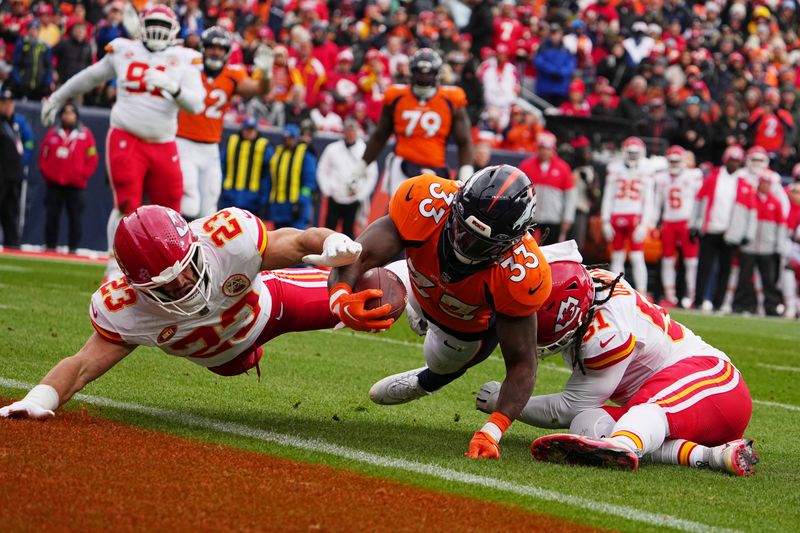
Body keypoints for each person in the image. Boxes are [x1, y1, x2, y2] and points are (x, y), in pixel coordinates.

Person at [0, 204, 362, 419]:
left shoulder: (228, 239)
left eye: (187, 266)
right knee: (238, 363)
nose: (185, 282)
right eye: (166, 285)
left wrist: (331, 242)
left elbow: (299, 240)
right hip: (224, 360)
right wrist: (38, 398)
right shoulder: (127, 308)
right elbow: (80, 366)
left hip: (270, 308)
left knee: (371, 295)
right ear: (136, 286)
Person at [328, 165, 552, 459]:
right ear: (456, 204)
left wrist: (493, 430)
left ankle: (429, 381)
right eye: (463, 229)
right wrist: (340, 299)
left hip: (462, 327)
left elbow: (523, 363)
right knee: (371, 288)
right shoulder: (426, 199)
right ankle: (410, 310)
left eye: (481, 244)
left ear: (510, 241)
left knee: (442, 364)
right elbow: (361, 254)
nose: (465, 245)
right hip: (417, 277)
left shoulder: (522, 272)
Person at [476, 258, 758, 476]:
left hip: (716, 386)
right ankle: (710, 457)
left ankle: (623, 445)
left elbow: (564, 408)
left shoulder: (605, 335)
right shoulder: (581, 281)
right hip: (682, 416)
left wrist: (504, 403)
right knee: (587, 426)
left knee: (644, 412)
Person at [39, 5, 206, 278]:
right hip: (126, 135)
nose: (157, 30)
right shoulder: (123, 50)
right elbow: (89, 78)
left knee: (172, 209)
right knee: (126, 203)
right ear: (140, 24)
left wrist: (172, 87)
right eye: (152, 23)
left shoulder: (184, 58)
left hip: (164, 142)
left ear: (174, 31)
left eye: (163, 26)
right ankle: (114, 266)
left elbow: (196, 104)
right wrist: (58, 97)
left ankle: (172, 267)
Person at [176, 26, 274, 220]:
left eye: (221, 48)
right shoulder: (190, 68)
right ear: (203, 48)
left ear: (227, 52)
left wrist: (266, 75)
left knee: (209, 207)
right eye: (212, 47)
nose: (216, 51)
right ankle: (180, 246)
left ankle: (200, 249)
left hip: (211, 146)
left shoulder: (232, 74)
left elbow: (259, 89)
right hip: (183, 142)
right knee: (189, 201)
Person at [352, 48, 474, 196]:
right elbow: (380, 136)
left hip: (436, 167)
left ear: (436, 74)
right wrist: (361, 167)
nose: (423, 77)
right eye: (419, 72)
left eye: (428, 73)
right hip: (403, 163)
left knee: (432, 217)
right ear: (412, 72)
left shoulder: (451, 99)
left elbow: (464, 140)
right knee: (398, 213)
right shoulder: (396, 96)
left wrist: (466, 174)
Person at [690, 145, 753, 311]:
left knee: (725, 270)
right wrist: (694, 224)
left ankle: (719, 303)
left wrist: (746, 233)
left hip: (730, 233)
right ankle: (698, 300)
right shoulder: (713, 177)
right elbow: (699, 200)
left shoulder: (744, 182)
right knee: (704, 267)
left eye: (737, 161)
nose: (734, 164)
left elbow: (748, 211)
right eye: (732, 160)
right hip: (710, 228)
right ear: (726, 160)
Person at [38, 103, 98, 253]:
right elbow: (42, 156)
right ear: (61, 116)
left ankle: (73, 249)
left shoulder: (85, 135)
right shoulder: (52, 133)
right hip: (54, 184)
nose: (68, 116)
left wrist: (82, 175)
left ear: (76, 116)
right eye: (65, 113)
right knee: (52, 217)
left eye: (71, 113)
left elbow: (92, 158)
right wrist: (48, 174)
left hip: (75, 185)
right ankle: (50, 246)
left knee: (75, 219)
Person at [601, 137, 658, 294]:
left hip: (635, 216)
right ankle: (616, 291)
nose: (632, 156)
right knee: (617, 257)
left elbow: (649, 199)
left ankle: (642, 291)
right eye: (630, 152)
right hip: (617, 214)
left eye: (635, 153)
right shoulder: (615, 167)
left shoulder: (647, 168)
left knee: (637, 256)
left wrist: (645, 224)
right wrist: (605, 220)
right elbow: (608, 196)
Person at [732, 174, 785, 316]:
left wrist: (778, 246)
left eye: (768, 183)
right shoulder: (751, 198)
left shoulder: (776, 202)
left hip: (766, 247)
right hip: (749, 246)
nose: (765, 186)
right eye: (763, 183)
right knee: (744, 278)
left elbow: (781, 226)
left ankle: (771, 307)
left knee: (768, 280)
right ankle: (740, 304)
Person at [657, 145, 703, 308]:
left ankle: (691, 296)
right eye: (672, 161)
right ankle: (671, 296)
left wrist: (697, 223)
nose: (675, 164)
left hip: (686, 222)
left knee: (691, 262)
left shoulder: (694, 175)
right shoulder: (662, 177)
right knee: (668, 260)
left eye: (678, 161)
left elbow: (700, 201)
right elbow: (658, 203)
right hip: (668, 221)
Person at [316, 119, 378, 238]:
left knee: (349, 232)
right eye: (348, 130)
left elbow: (371, 175)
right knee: (328, 231)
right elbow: (322, 170)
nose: (350, 134)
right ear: (343, 132)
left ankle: (348, 256)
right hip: (335, 196)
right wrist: (328, 190)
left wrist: (361, 194)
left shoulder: (364, 150)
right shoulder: (332, 149)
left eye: (352, 131)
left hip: (353, 198)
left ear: (357, 132)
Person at [518, 131, 576, 246]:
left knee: (550, 250)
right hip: (530, 217)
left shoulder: (563, 168)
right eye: (541, 148)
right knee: (524, 247)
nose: (544, 151)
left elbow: (570, 196)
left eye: (547, 148)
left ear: (553, 150)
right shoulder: (526, 165)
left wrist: (567, 218)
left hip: (553, 218)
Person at [218, 116, 273, 218]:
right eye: (247, 129)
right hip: (230, 192)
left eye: (252, 130)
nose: (249, 133)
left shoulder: (263, 145)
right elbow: (222, 165)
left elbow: (267, 174)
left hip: (252, 194)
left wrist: (263, 197)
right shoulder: (232, 141)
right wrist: (222, 185)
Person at [268, 124, 317, 229]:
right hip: (279, 204)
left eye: (290, 138)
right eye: (285, 138)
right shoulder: (278, 152)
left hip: (296, 204)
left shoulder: (305, 154)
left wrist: (302, 201)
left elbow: (309, 182)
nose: (288, 141)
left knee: (297, 237)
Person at [0, 86, 25, 247]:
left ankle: (13, 247)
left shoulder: (16, 124)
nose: (7, 106)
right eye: (4, 103)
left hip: (13, 177)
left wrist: (25, 159)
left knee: (10, 215)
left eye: (10, 103)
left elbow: (29, 141)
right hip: (1, 175)